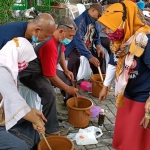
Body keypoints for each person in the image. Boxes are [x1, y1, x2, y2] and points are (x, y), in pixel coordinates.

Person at [98, 1, 150, 150]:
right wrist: (106, 86)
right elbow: (113, 62)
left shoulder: (145, 40)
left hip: (143, 97)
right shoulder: (119, 41)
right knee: (124, 134)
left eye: (110, 26)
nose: (107, 31)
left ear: (125, 22)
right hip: (127, 93)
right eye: (105, 27)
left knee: (136, 139)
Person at [19, 17, 78, 136]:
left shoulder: (59, 39)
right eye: (70, 36)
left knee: (68, 78)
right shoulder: (50, 45)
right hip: (30, 74)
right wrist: (67, 89)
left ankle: (69, 108)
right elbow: (50, 75)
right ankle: (51, 129)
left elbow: (61, 52)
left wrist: (66, 70)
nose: (71, 39)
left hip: (43, 70)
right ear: (61, 31)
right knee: (49, 93)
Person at [0, 37, 46, 150]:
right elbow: (14, 102)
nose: (25, 64)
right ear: (17, 56)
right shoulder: (2, 71)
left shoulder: (6, 67)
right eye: (24, 60)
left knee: (31, 126)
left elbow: (10, 101)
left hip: (2, 115)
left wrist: (30, 112)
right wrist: (35, 119)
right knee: (20, 147)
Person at [65, 3, 106, 80]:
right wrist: (90, 56)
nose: (99, 18)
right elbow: (78, 41)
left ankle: (101, 81)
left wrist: (98, 47)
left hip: (87, 47)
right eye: (99, 15)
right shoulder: (80, 21)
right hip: (75, 47)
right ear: (93, 10)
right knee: (74, 59)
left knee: (100, 55)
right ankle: (71, 82)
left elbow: (97, 37)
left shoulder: (95, 21)